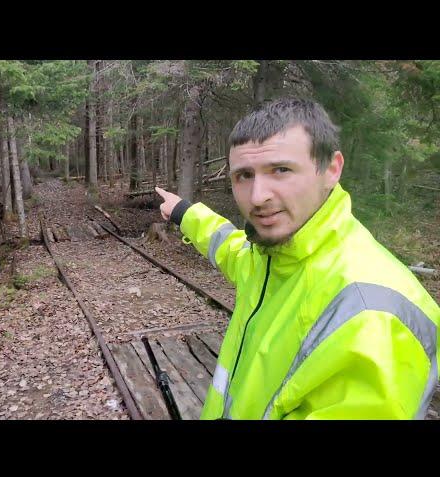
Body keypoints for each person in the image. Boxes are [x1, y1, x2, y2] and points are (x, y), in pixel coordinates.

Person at [155, 97, 440, 420]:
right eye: (244, 175)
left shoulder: (368, 315)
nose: (258, 196)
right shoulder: (272, 257)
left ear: (331, 169)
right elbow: (230, 248)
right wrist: (184, 212)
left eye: (280, 170)